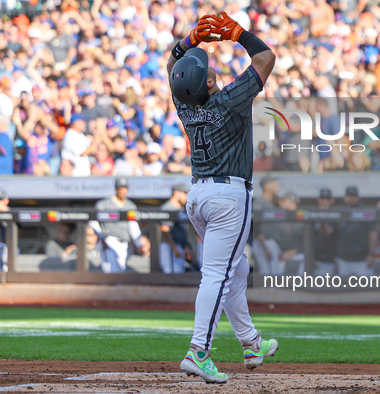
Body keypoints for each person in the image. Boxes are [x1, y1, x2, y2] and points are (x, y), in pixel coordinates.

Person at [167, 12, 277, 383]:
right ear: (211, 81)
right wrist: (239, 34)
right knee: (218, 273)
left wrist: (190, 41)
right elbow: (265, 59)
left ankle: (251, 342)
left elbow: (174, 65)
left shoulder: (184, 103)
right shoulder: (228, 99)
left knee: (235, 269)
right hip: (228, 195)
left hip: (197, 195)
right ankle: (199, 350)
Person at [88, 177, 143, 273]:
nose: (123, 191)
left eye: (125, 188)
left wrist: (139, 244)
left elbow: (133, 226)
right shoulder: (104, 204)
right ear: (116, 189)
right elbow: (92, 221)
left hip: (124, 242)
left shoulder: (130, 205)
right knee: (110, 272)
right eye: (121, 188)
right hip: (109, 240)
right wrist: (101, 237)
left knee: (121, 272)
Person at [335, 186, 378, 277]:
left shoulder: (366, 212)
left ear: (358, 197)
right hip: (344, 260)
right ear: (344, 198)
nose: (351, 198)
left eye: (353, 196)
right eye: (349, 196)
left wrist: (371, 254)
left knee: (365, 288)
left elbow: (373, 234)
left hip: (362, 260)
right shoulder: (341, 214)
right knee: (344, 288)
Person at [159, 184, 190, 274]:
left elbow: (182, 231)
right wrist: (174, 247)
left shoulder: (181, 209)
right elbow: (164, 229)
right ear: (176, 193)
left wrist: (185, 247)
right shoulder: (168, 207)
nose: (186, 196)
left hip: (178, 247)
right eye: (184, 193)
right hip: (170, 247)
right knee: (171, 275)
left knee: (179, 274)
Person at [313, 188, 337, 275]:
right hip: (313, 260)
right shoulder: (312, 213)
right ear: (318, 200)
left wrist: (322, 217)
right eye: (322, 198)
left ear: (332, 200)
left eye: (327, 199)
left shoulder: (336, 214)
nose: (324, 201)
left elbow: (328, 232)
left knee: (326, 286)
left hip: (329, 261)